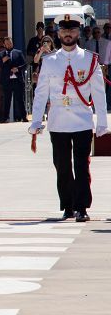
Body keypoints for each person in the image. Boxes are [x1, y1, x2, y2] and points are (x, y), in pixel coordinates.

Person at [29, 13, 109, 222]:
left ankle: (82, 206)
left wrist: (102, 124)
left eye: (72, 30)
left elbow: (99, 94)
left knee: (81, 164)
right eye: (64, 30)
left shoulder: (89, 59)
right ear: (58, 33)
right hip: (58, 121)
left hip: (82, 119)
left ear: (78, 32)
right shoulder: (49, 61)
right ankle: (68, 205)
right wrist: (36, 120)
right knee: (62, 166)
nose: (68, 34)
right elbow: (41, 92)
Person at [0, 37, 27, 122]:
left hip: (17, 80)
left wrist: (18, 69)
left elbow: (25, 65)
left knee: (20, 100)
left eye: (10, 43)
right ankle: (5, 118)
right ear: (4, 45)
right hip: (6, 81)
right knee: (6, 100)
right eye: (7, 44)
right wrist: (2, 61)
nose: (9, 45)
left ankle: (24, 117)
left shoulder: (18, 53)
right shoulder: (0, 55)